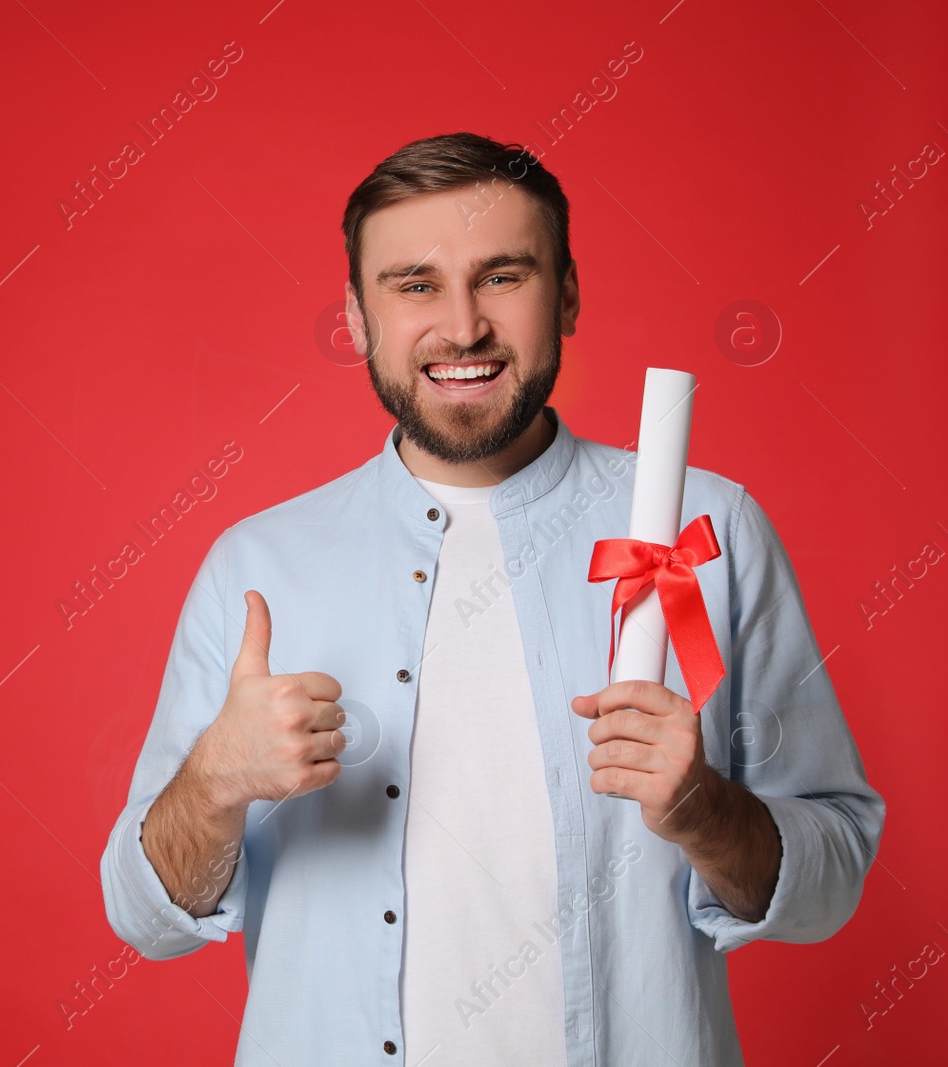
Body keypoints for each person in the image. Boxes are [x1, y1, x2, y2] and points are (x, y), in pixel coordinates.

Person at [99, 131, 885, 1066]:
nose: (463, 326)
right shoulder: (257, 565)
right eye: (415, 284)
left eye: (504, 276)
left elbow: (833, 878)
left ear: (569, 293)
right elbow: (147, 917)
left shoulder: (707, 532)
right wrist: (216, 781)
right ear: (357, 316)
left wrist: (705, 811)